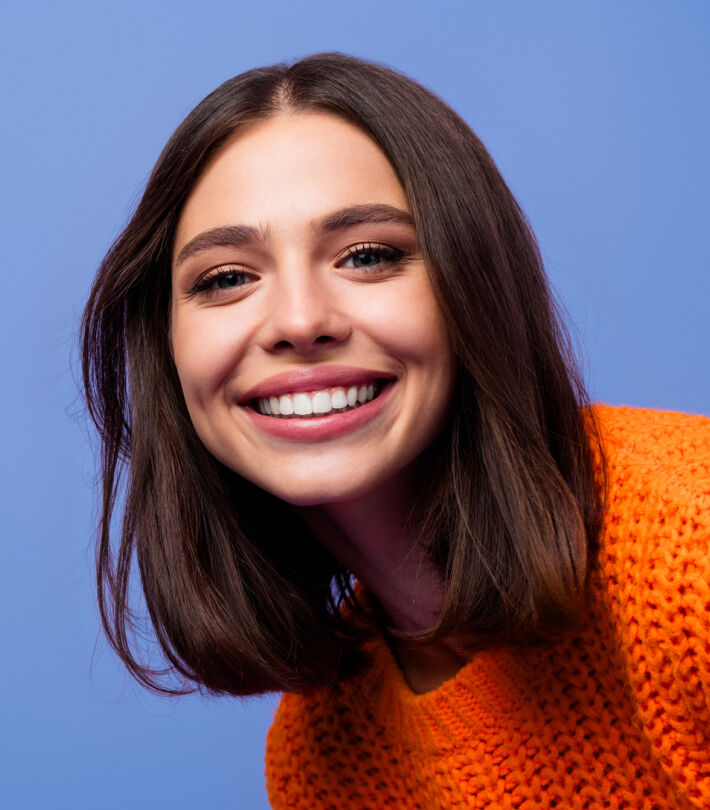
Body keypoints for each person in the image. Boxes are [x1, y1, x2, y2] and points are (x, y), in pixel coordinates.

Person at [81, 53, 710, 808]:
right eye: (227, 278)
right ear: (168, 350)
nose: (299, 321)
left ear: (473, 285)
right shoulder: (322, 761)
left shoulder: (691, 555)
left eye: (369, 256)